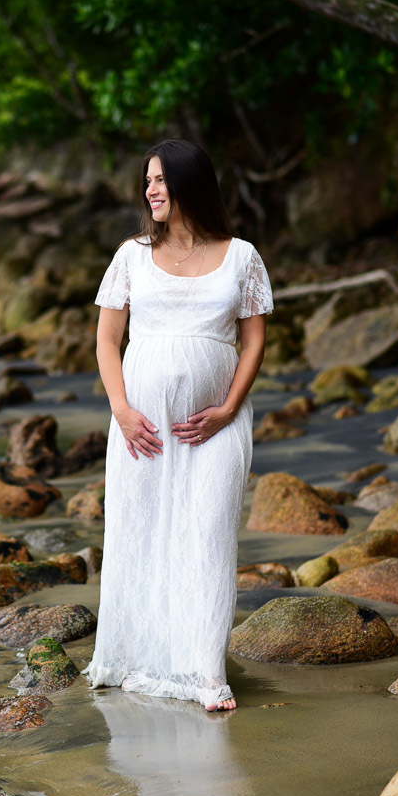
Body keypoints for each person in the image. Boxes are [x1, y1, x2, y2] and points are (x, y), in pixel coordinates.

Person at [83, 138, 273, 712]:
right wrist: (120, 408)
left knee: (206, 537)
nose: (151, 190)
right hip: (142, 429)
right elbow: (107, 339)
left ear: (191, 183)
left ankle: (202, 673)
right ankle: (136, 658)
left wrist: (229, 408)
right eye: (147, 181)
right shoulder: (132, 255)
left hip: (214, 426)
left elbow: (255, 339)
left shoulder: (241, 256)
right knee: (140, 537)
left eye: (161, 179)